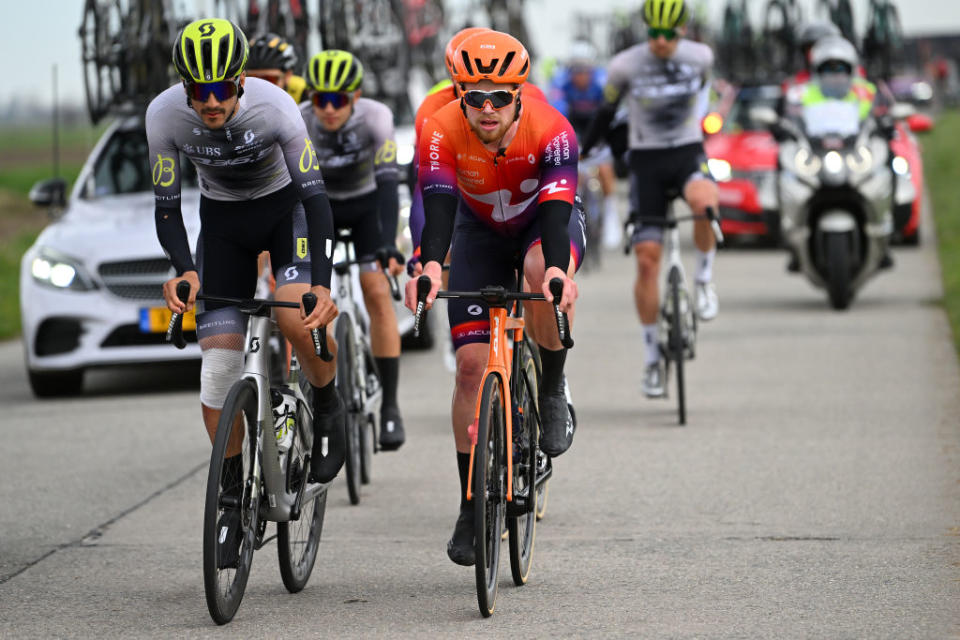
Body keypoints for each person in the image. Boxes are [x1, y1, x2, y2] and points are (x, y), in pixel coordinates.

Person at [147, 19, 346, 505]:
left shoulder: (274, 107)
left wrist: (320, 284)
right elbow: (168, 207)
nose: (211, 101)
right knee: (218, 365)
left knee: (296, 314)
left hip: (287, 211)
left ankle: (326, 403)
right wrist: (184, 268)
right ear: (183, 86)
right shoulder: (164, 116)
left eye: (221, 88)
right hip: (223, 224)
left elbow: (316, 200)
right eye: (199, 89)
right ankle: (234, 494)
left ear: (239, 81)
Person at [404, 30, 583, 567]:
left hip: (540, 226)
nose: (486, 109)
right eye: (474, 96)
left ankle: (551, 388)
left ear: (519, 93)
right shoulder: (437, 128)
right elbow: (436, 206)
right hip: (478, 230)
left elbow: (554, 217)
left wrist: (557, 270)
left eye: (500, 97)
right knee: (469, 368)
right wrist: (429, 266)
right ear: (458, 92)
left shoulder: (553, 131)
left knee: (537, 272)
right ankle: (469, 503)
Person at [581, 0, 719, 399]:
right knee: (646, 260)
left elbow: (707, 94)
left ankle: (705, 281)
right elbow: (605, 113)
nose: (659, 42)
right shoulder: (625, 65)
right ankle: (651, 360)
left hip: (688, 152)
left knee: (706, 204)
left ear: (681, 31)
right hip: (647, 162)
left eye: (667, 34)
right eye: (652, 34)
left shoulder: (700, 57)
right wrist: (585, 150)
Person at [300, 49, 407, 450]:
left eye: (339, 99)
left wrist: (385, 243)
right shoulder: (300, 119)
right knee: (308, 296)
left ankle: (391, 408)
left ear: (355, 96)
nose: (328, 109)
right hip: (319, 206)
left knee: (376, 290)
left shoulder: (377, 118)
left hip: (366, 206)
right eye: (320, 99)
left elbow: (387, 185)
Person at [549, 40, 622, 249]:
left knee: (606, 171)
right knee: (576, 175)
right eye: (576, 71)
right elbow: (557, 115)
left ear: (592, 69)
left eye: (585, 70)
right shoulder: (560, 82)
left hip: (597, 129)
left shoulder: (603, 81)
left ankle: (610, 216)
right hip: (572, 127)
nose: (581, 76)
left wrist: (604, 142)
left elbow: (610, 116)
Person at [246, 32, 308, 103]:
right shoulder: (237, 94)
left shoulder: (302, 91)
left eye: (269, 80)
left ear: (288, 75)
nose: (262, 89)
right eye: (254, 80)